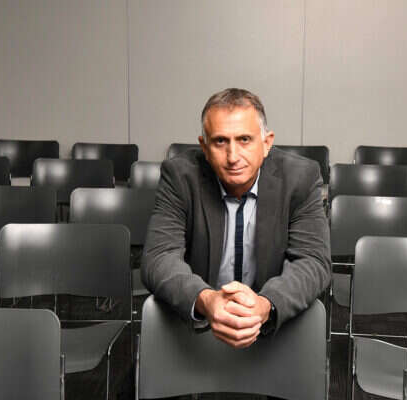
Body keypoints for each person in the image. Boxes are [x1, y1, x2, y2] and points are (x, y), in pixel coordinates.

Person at [142, 88, 331, 351]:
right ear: (204, 147)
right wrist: (205, 300)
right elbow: (159, 257)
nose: (233, 157)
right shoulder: (179, 177)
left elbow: (313, 261)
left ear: (266, 143)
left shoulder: (301, 178)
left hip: (273, 330)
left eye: (244, 139)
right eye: (220, 141)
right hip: (199, 329)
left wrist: (265, 304)